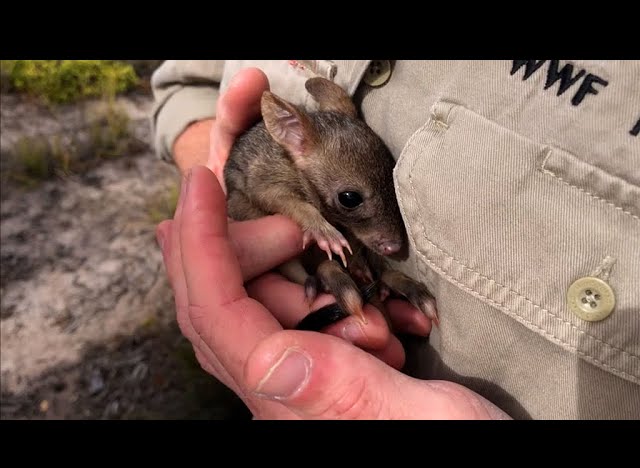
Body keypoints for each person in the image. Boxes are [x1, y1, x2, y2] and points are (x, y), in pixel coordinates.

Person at [150, 60, 640, 420]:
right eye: (350, 201)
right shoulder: (294, 152)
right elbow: (190, 86)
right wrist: (213, 186)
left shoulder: (333, 149)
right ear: (291, 135)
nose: (390, 241)